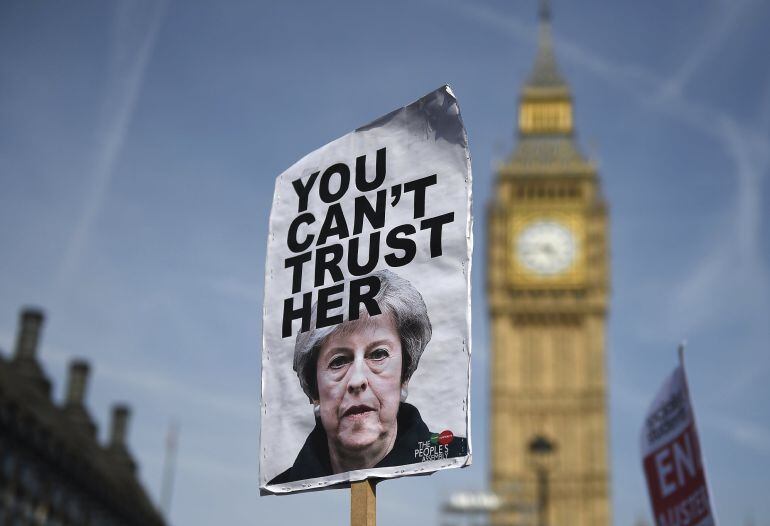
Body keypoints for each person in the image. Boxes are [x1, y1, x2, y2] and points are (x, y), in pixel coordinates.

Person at [269, 269, 467, 485]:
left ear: (405, 375)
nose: (357, 381)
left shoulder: (454, 455)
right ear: (314, 391)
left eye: (378, 354)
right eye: (338, 361)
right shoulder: (282, 486)